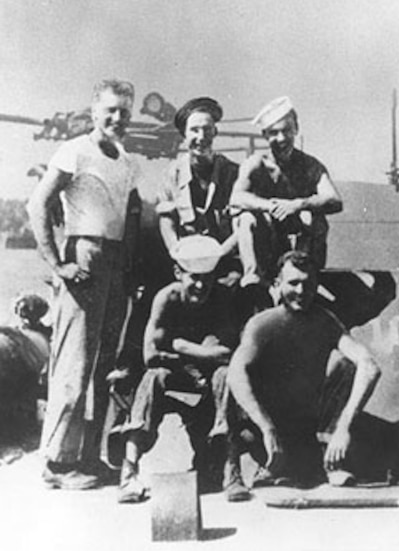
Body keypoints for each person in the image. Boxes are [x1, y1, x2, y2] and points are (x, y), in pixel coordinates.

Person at [28, 79, 142, 490]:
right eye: (110, 110)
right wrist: (58, 264)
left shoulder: (127, 161)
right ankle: (57, 464)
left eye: (124, 112)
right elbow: (38, 203)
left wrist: (129, 270)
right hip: (84, 256)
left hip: (114, 263)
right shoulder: (75, 150)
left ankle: (90, 457)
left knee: (103, 367)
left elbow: (129, 216)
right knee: (74, 363)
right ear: (94, 111)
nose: (117, 118)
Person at [227, 251, 381, 487]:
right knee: (233, 389)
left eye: (308, 284)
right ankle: (252, 468)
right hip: (265, 429)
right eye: (293, 283)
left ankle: (330, 460)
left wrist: (344, 428)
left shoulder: (325, 320)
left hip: (306, 426)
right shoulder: (262, 324)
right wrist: (266, 428)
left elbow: (368, 366)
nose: (301, 291)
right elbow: (236, 374)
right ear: (277, 284)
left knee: (344, 363)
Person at [114, 236, 249, 503]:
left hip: (208, 379)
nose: (201, 285)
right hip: (176, 376)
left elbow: (227, 354)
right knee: (154, 379)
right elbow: (151, 356)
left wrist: (179, 345)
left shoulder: (220, 297)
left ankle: (231, 470)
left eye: (207, 277)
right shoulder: (167, 299)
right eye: (193, 277)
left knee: (225, 376)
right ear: (178, 273)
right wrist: (199, 355)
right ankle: (129, 472)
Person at [230, 97, 343, 290]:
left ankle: (306, 277)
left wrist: (298, 204)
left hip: (297, 244)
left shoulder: (309, 165)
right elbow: (237, 197)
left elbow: (334, 200)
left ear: (296, 130)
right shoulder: (256, 164)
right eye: (274, 133)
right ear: (265, 135)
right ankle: (253, 280)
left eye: (286, 130)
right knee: (247, 218)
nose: (281, 139)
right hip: (266, 242)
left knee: (315, 218)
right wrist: (271, 206)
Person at [155, 97, 240, 279]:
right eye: (194, 130)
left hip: (225, 260)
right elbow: (166, 219)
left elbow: (241, 224)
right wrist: (176, 251)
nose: (201, 137)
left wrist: (220, 254)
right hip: (186, 262)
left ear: (215, 132)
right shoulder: (172, 174)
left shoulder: (232, 173)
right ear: (184, 135)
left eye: (207, 130)